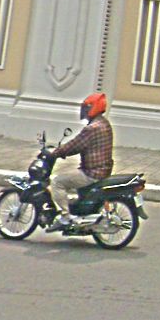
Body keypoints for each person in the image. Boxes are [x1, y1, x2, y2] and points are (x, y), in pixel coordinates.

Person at [48, 92, 114, 228]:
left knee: (57, 182)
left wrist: (57, 152)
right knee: (71, 178)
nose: (84, 111)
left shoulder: (92, 128)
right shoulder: (104, 123)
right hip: (102, 169)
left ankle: (65, 217)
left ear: (94, 108)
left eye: (87, 108)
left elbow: (75, 145)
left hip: (92, 172)